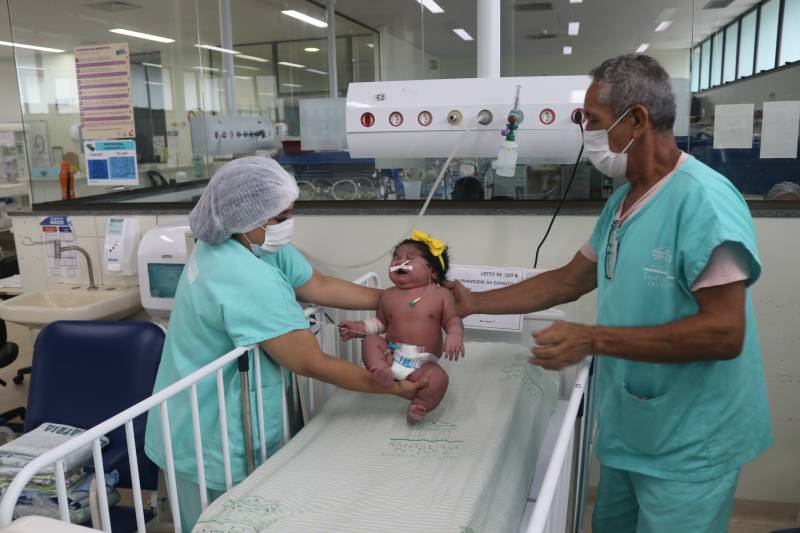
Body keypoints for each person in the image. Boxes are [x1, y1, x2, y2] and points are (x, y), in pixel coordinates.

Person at [447, 55, 772, 533]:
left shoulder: (703, 202)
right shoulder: (625, 199)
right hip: (633, 426)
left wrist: (593, 339)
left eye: (594, 122)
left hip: (690, 441)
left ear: (636, 120)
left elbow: (724, 332)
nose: (589, 135)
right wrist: (473, 303)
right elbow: (569, 279)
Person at [143, 157, 425, 533]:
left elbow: (319, 285)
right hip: (211, 437)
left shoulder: (244, 244)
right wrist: (392, 387)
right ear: (245, 218)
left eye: (290, 213)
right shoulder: (242, 275)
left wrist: (395, 301)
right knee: (218, 522)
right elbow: (311, 362)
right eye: (279, 218)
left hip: (190, 415)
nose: (287, 225)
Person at [339, 231, 464, 424]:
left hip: (422, 364)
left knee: (439, 379)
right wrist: (357, 328)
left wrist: (455, 334)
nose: (400, 261)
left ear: (433, 271)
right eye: (396, 257)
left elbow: (452, 320)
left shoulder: (440, 295)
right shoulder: (388, 295)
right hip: (391, 355)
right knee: (371, 341)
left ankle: (419, 405)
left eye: (409, 258)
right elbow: (379, 323)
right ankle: (381, 371)